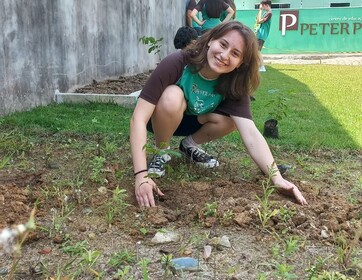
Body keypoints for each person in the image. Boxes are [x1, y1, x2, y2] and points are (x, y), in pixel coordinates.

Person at [130, 21, 307, 208]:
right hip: (159, 118)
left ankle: (189, 145)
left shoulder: (234, 83)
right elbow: (139, 118)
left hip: (193, 120)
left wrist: (276, 178)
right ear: (210, 40)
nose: (224, 55)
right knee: (172, 96)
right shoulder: (178, 62)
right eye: (223, 44)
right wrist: (141, 176)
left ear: (241, 63)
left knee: (233, 120)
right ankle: (161, 151)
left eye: (235, 54)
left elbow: (251, 133)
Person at [255, 0, 272, 72]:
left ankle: (262, 67)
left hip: (262, 35)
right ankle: (259, 66)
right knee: (256, 51)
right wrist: (260, 11)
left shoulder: (269, 13)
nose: (262, 7)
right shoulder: (266, 13)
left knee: (257, 51)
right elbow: (257, 20)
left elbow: (259, 21)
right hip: (260, 34)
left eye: (262, 6)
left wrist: (260, 10)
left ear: (266, 5)